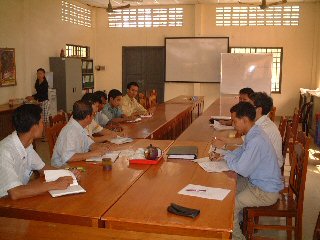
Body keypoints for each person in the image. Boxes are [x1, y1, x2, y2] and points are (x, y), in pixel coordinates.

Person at [211, 102, 283, 239]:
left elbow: (241, 169)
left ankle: (237, 237)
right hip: (256, 184)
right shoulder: (255, 131)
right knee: (226, 193)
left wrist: (227, 158)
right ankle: (231, 227)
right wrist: (224, 155)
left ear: (244, 120)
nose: (233, 124)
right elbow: (241, 152)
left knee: (229, 207)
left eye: (234, 121)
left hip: (265, 191)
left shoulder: (256, 139)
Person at [0, 104, 73, 200]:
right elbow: (15, 193)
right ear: (34, 127)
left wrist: (69, 174)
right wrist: (54, 184)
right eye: (42, 122)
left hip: (17, 199)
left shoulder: (26, 145)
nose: (44, 125)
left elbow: (43, 168)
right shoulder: (5, 151)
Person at [212, 92, 283, 168]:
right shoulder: (258, 123)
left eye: (250, 106)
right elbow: (244, 143)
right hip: (261, 162)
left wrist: (225, 153)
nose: (246, 108)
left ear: (259, 110)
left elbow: (244, 163)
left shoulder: (264, 129)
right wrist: (224, 149)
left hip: (269, 166)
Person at [51, 100, 109, 167]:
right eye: (93, 115)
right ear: (87, 117)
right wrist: (92, 153)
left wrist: (101, 147)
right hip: (62, 169)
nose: (93, 118)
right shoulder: (70, 131)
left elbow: (90, 144)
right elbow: (68, 157)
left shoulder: (81, 126)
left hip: (76, 164)